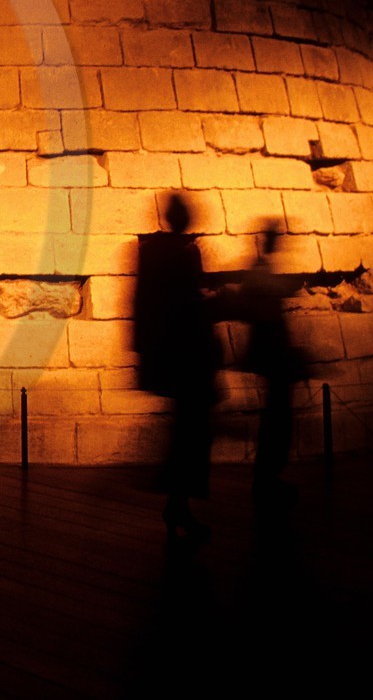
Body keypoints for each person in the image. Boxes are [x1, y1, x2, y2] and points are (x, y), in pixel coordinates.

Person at [133, 194, 222, 542]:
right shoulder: (183, 254)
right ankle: (178, 504)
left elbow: (142, 304)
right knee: (192, 436)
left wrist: (143, 354)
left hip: (174, 358)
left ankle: (178, 504)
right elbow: (187, 307)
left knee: (188, 434)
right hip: (189, 359)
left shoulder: (154, 253)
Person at [229, 221, 306, 511]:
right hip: (272, 357)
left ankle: (268, 477)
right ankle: (266, 479)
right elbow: (268, 289)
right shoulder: (260, 272)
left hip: (272, 357)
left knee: (277, 418)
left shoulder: (261, 270)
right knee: (276, 419)